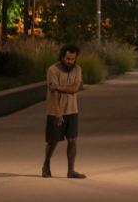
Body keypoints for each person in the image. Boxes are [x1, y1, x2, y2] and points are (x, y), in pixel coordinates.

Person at [42, 44, 86, 178]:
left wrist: (59, 87)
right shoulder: (52, 70)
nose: (70, 61)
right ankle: (46, 165)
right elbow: (53, 92)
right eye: (67, 59)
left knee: (73, 140)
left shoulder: (77, 69)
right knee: (52, 141)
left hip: (72, 110)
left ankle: (71, 171)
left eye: (72, 59)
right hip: (55, 111)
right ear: (62, 56)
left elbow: (75, 89)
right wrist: (57, 111)